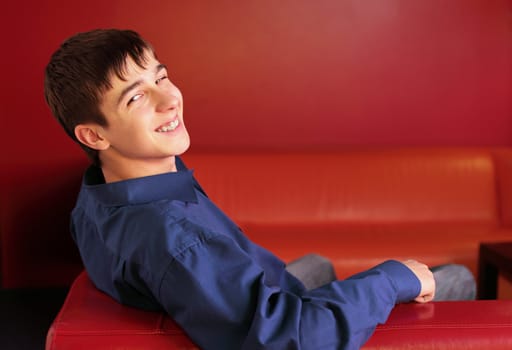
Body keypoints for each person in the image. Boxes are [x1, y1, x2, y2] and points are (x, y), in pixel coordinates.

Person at [44, 29, 474, 349]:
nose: (169, 98)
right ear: (94, 136)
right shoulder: (179, 240)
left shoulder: (100, 193)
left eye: (162, 76)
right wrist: (394, 277)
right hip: (285, 324)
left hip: (243, 295)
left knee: (318, 264)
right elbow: (288, 335)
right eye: (136, 98)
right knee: (454, 277)